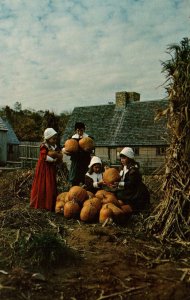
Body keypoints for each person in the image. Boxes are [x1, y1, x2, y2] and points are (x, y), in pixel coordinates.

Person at [30, 128, 63, 211]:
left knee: (50, 183)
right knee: (43, 184)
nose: (55, 140)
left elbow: (57, 154)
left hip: (51, 168)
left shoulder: (54, 147)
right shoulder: (44, 146)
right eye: (53, 139)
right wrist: (54, 159)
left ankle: (50, 204)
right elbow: (44, 157)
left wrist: (59, 157)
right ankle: (42, 204)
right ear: (48, 138)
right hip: (44, 168)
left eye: (56, 139)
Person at [114, 147, 150, 214]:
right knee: (116, 193)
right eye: (121, 158)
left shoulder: (133, 170)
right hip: (127, 188)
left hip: (135, 191)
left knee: (120, 195)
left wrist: (119, 184)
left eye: (124, 158)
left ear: (130, 159)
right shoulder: (123, 167)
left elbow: (131, 183)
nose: (122, 160)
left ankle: (128, 208)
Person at [63, 122, 94, 186]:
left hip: (85, 160)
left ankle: (85, 188)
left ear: (84, 130)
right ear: (75, 130)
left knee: (84, 176)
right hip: (75, 160)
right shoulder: (72, 138)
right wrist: (65, 151)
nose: (79, 132)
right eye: (78, 130)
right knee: (75, 177)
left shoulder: (88, 138)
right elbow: (66, 147)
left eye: (81, 130)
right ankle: (74, 188)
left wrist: (89, 150)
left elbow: (92, 148)